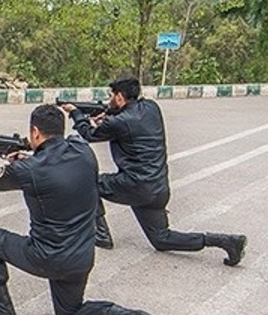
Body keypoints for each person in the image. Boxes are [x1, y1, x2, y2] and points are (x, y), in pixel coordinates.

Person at [0, 105, 160, 315]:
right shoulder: (83, 151)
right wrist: (26, 158)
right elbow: (53, 167)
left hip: (47, 257)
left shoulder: (32, 169)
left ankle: (4, 312)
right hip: (82, 256)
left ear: (35, 131)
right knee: (69, 312)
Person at [63, 76, 247, 265]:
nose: (109, 99)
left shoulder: (119, 122)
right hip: (157, 187)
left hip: (135, 185)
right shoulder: (152, 108)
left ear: (119, 97)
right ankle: (224, 241)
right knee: (161, 239)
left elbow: (88, 134)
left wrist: (76, 113)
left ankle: (101, 235)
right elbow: (130, 126)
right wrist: (106, 115)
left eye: (111, 95)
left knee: (87, 183)